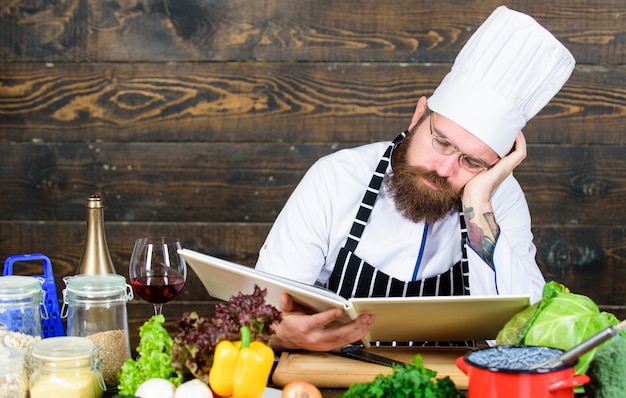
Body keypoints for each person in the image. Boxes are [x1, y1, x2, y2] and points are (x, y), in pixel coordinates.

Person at [255, 6, 575, 352]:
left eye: (471, 161)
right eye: (441, 142)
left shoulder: (500, 200)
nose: (444, 168)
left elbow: (527, 330)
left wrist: (478, 202)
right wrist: (278, 331)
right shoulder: (335, 178)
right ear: (419, 116)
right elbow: (265, 308)